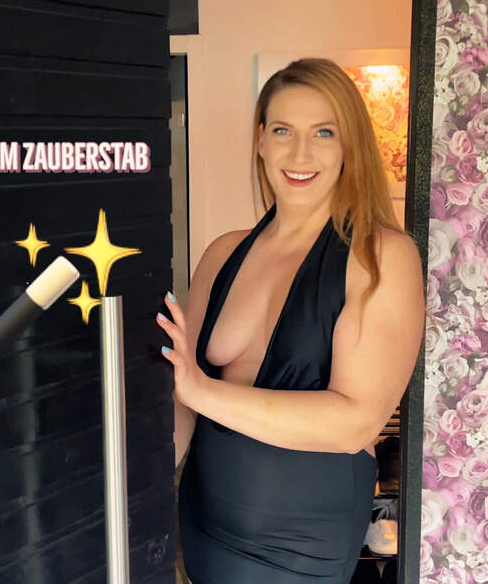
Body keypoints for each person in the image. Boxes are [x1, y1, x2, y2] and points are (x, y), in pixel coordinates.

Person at [156, 58, 425, 584]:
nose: (300, 154)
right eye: (283, 130)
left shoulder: (381, 256)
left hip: (301, 548)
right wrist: (131, 489)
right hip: (203, 529)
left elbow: (355, 424)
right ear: (261, 140)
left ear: (349, 145)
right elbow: (182, 402)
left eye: (323, 132)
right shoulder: (222, 254)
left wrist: (200, 391)